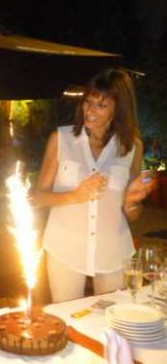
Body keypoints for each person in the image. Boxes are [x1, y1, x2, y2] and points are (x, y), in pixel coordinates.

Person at [32, 69, 156, 303]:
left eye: (101, 105)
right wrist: (75, 195)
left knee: (112, 320)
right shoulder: (61, 139)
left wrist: (132, 202)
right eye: (88, 102)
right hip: (65, 249)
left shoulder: (132, 148)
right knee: (68, 321)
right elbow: (38, 196)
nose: (89, 111)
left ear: (118, 109)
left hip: (113, 250)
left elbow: (132, 215)